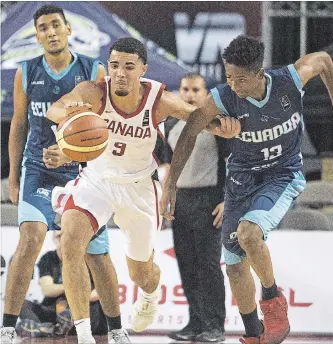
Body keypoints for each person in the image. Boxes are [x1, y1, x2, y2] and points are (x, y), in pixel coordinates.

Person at [46, 37, 240, 344]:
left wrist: (223, 126)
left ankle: (150, 293)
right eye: (114, 65)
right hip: (98, 180)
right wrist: (70, 111)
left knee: (141, 273)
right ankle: (83, 333)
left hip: (138, 187)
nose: (120, 73)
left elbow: (196, 117)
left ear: (143, 70)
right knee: (71, 242)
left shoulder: (158, 99)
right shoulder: (94, 92)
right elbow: (56, 110)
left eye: (128, 66)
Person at [160, 35, 333, 344]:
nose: (233, 84)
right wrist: (171, 183)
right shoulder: (223, 97)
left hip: (281, 175)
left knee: (249, 234)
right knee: (235, 266)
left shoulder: (290, 79)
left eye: (240, 78)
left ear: (259, 73)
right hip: (241, 180)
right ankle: (255, 335)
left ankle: (273, 300)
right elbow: (190, 130)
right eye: (228, 76)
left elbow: (322, 59)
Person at [0, 5, 129, 344]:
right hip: (39, 171)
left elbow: (107, 126)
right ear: (37, 35)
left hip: (84, 174)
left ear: (69, 30)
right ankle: (8, 328)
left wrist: (71, 151)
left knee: (96, 255)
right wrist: (13, 177)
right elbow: (18, 126)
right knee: (29, 240)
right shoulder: (26, 72)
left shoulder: (92, 70)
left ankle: (116, 330)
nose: (51, 32)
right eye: (43, 27)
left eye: (56, 25)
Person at [164, 73, 227, 342]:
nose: (190, 94)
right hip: (181, 201)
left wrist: (227, 199)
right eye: (185, 89)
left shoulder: (216, 125)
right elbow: (167, 166)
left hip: (209, 200)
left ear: (206, 93)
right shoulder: (170, 125)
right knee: (187, 264)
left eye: (196, 90)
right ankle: (195, 321)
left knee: (208, 265)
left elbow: (231, 163)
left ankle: (214, 325)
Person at [16, 229, 108, 338]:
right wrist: (69, 289)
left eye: (66, 236)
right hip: (55, 310)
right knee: (22, 304)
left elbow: (100, 291)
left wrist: (74, 299)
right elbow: (47, 289)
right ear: (54, 239)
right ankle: (55, 328)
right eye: (59, 236)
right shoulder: (48, 258)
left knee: (84, 307)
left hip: (83, 309)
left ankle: (49, 330)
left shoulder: (88, 257)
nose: (62, 240)